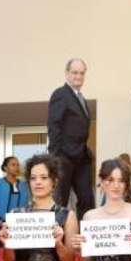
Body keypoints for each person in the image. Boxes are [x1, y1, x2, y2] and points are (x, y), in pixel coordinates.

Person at [48, 58, 94, 221]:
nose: (78, 76)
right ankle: (55, 238)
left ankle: (85, 238)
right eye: (75, 72)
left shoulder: (80, 97)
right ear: (67, 73)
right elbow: (53, 126)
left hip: (81, 158)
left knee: (87, 200)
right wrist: (55, 158)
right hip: (64, 157)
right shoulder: (61, 94)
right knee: (60, 200)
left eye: (82, 73)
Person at [0, 156, 30, 221]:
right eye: (13, 165)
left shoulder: (24, 185)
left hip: (20, 223)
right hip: (0, 223)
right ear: (5, 168)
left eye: (18, 165)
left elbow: (26, 206)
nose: (16, 167)